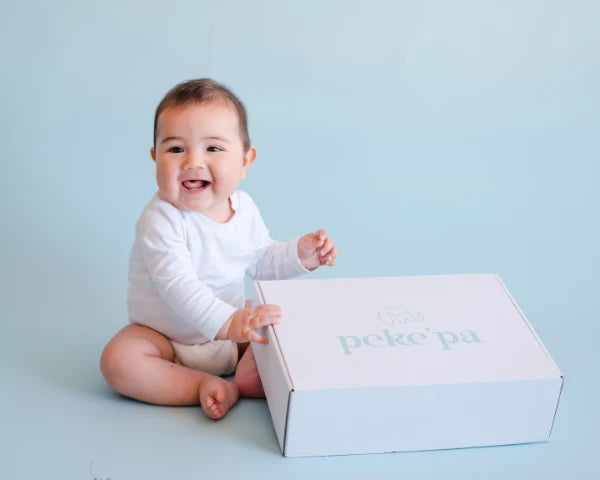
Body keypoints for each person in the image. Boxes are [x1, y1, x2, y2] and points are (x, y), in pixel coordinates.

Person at [100, 79, 337, 420]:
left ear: (245, 160)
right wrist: (227, 322)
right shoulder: (161, 219)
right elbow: (178, 286)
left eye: (212, 148)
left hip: (232, 331)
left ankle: (251, 371)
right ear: (155, 157)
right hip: (165, 340)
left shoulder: (244, 209)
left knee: (279, 318)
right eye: (175, 149)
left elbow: (261, 260)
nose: (192, 162)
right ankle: (199, 384)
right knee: (119, 360)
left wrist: (300, 255)